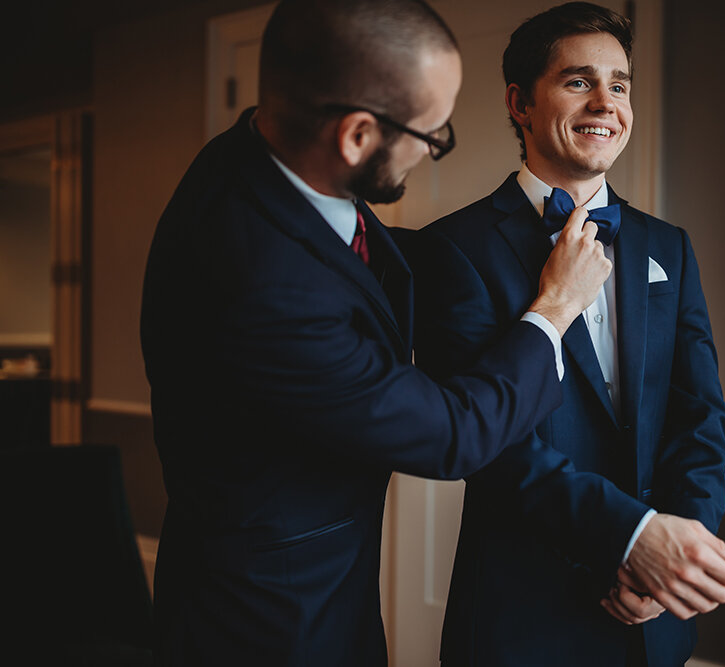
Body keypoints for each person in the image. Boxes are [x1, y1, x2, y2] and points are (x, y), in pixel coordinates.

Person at [139, 0, 613, 664]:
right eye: (432, 134)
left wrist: (489, 246)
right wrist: (555, 307)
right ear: (357, 135)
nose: (434, 150)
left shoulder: (259, 155)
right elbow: (453, 435)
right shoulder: (263, 286)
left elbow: (355, 255)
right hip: (274, 619)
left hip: (309, 573)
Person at [406, 3, 725, 665]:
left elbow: (702, 414)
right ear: (519, 102)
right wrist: (629, 540)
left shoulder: (667, 248)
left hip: (655, 619)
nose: (605, 102)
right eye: (577, 81)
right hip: (524, 612)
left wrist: (673, 551)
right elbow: (491, 443)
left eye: (619, 84)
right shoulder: (454, 249)